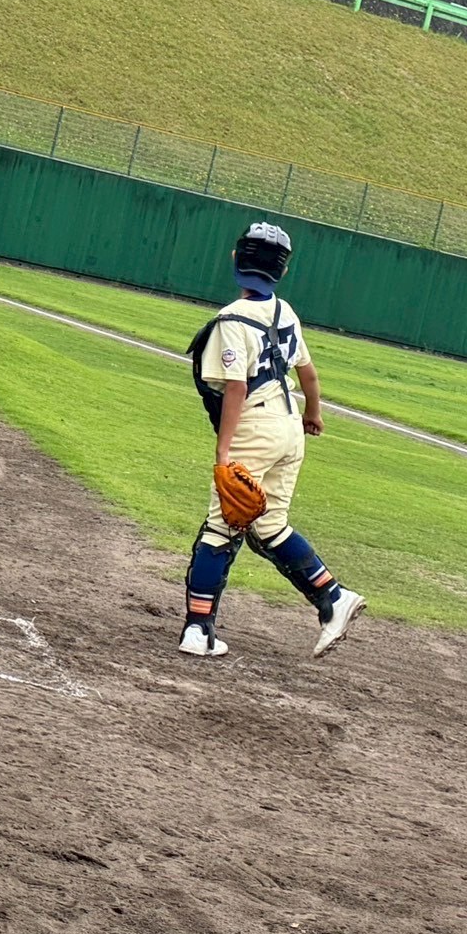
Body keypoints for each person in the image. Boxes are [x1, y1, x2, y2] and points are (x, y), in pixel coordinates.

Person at [179, 221, 365, 659]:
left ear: (235, 260)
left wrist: (223, 452)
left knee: (220, 528)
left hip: (255, 428)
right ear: (282, 271)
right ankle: (334, 597)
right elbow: (308, 373)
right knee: (269, 526)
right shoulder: (285, 312)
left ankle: (198, 630)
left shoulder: (232, 319)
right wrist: (313, 413)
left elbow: (236, 388)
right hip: (288, 427)